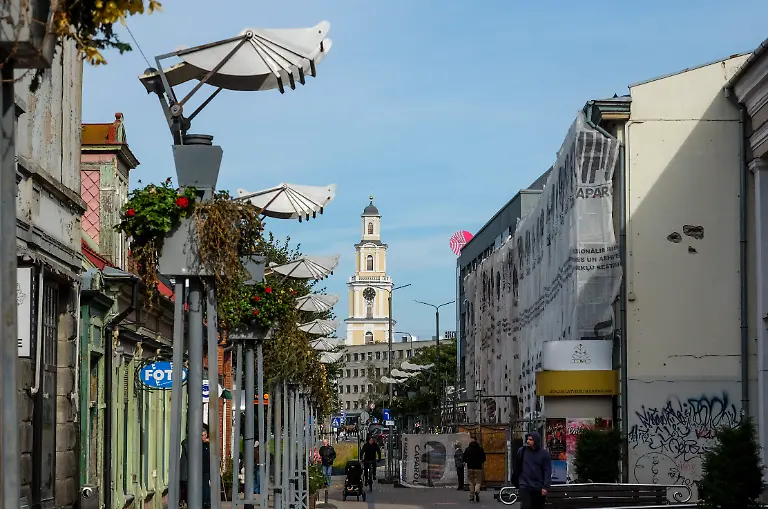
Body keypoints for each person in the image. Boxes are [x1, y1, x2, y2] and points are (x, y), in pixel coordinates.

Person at [511, 431, 552, 509]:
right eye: (528, 439)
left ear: (535, 441)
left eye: (530, 440)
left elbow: (547, 470)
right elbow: (516, 465)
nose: (528, 441)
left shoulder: (544, 454)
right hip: (524, 485)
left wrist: (545, 486)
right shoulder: (522, 451)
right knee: (526, 506)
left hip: (538, 486)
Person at [462, 436, 486, 503]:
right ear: (476, 441)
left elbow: (464, 458)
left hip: (470, 468)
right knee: (478, 482)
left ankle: (472, 497)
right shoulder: (480, 449)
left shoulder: (467, 449)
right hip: (478, 468)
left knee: (471, 482)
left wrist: (467, 461)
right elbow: (484, 458)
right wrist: (480, 461)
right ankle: (477, 491)